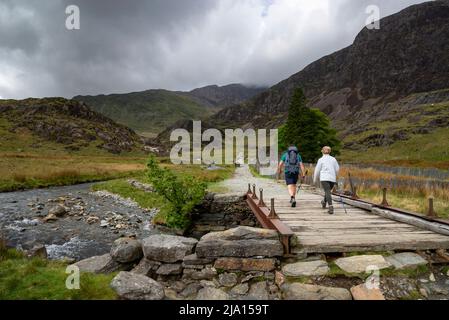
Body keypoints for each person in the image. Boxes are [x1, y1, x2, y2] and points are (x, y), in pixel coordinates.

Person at [313, 146, 340, 215]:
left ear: (322, 151)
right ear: (329, 151)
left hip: (324, 178)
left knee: (327, 191)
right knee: (328, 191)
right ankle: (324, 202)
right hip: (332, 178)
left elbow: (317, 170)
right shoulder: (333, 159)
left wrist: (315, 179)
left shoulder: (321, 159)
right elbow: (337, 169)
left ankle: (331, 207)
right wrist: (336, 176)